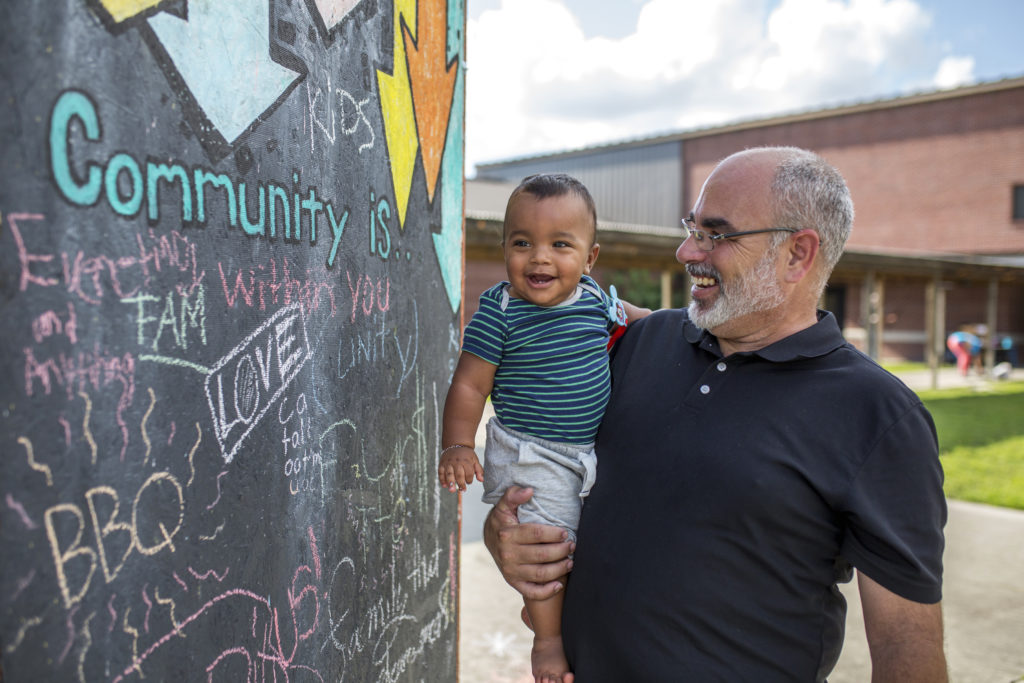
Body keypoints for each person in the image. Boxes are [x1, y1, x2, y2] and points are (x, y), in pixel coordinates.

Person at [484, 147, 947, 682]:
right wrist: (509, 540)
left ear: (798, 254)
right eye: (692, 227)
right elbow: (536, 455)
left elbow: (904, 644)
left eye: (716, 235)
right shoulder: (634, 343)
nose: (686, 251)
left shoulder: (877, 414)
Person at [438, 173, 650, 682]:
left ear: (590, 258)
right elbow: (469, 385)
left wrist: (687, 324)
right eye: (522, 243)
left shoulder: (595, 299)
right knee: (549, 548)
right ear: (504, 248)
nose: (539, 258)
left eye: (560, 244)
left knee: (583, 547)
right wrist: (458, 444)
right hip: (531, 453)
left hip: (583, 453)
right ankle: (548, 642)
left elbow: (642, 321)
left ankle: (544, 612)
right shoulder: (500, 311)